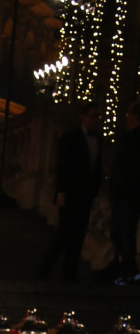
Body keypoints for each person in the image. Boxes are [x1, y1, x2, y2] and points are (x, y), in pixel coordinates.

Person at [38, 102, 103, 282]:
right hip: (70, 193)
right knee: (63, 233)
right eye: (92, 116)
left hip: (85, 195)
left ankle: (69, 272)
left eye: (97, 117)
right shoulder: (71, 137)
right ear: (83, 117)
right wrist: (61, 192)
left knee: (79, 234)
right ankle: (45, 270)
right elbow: (62, 166)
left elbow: (96, 168)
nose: (95, 120)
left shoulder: (97, 140)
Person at [109, 101, 140, 284]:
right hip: (127, 195)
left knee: (123, 233)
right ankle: (126, 269)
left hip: (127, 196)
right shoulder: (130, 138)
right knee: (122, 234)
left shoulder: (132, 139)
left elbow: (127, 169)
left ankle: (128, 270)